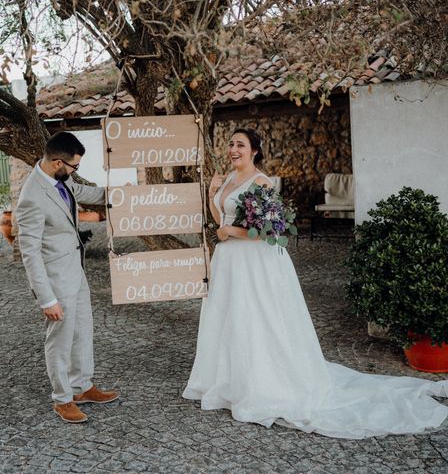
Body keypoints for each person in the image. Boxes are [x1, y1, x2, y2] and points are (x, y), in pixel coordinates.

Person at [183, 128, 448, 438]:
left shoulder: (261, 182)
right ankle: (227, 380)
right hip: (228, 262)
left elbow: (270, 230)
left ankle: (261, 382)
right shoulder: (227, 179)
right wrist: (213, 194)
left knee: (254, 317)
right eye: (231, 144)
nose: (233, 149)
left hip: (253, 263)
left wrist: (233, 233)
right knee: (228, 317)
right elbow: (221, 222)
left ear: (254, 150)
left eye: (240, 144)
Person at [16, 131, 118, 423]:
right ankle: (62, 399)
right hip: (56, 279)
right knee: (60, 339)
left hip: (76, 270)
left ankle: (82, 386)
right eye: (74, 167)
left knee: (83, 329)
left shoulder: (61, 177)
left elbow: (83, 193)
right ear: (58, 162)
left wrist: (119, 194)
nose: (76, 172)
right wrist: (46, 298)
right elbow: (30, 252)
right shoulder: (31, 197)